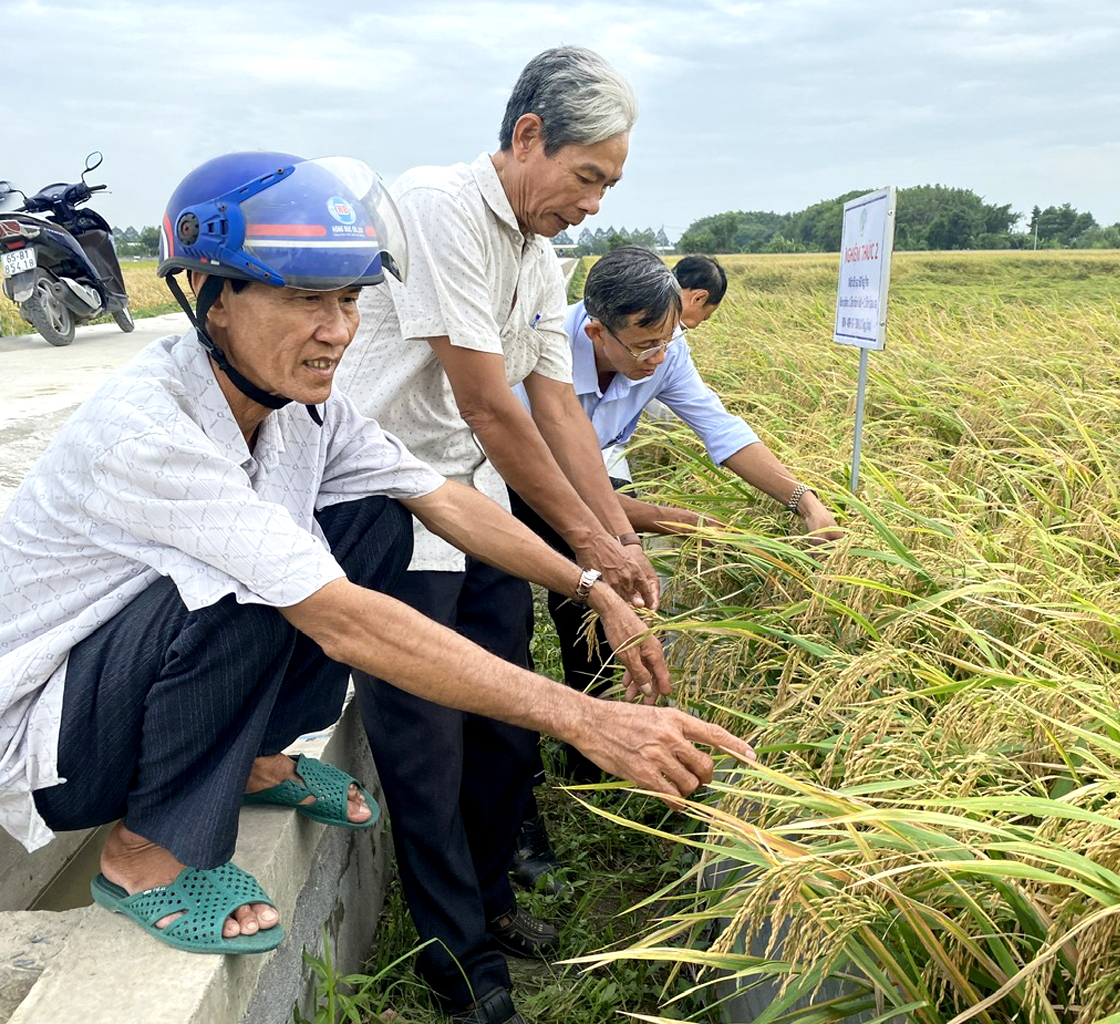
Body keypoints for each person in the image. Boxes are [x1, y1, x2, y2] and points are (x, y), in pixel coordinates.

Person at [0, 152, 750, 1024]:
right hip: (60, 744)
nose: (336, 331)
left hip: (139, 689)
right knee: (262, 580)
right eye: (303, 297)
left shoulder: (306, 410)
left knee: (380, 521)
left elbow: (448, 499)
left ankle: (245, 761)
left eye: (350, 299)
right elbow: (345, 624)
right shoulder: (151, 431)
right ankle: (143, 852)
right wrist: (586, 716)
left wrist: (592, 585)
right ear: (206, 294)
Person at [331, 47, 665, 1022]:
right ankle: (459, 965)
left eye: (610, 183)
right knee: (425, 743)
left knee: (506, 723)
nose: (594, 202)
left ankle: (488, 900)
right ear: (528, 139)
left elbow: (555, 409)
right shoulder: (440, 207)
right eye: (588, 175)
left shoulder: (539, 253)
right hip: (385, 499)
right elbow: (488, 402)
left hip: (467, 500)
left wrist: (616, 542)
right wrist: (590, 553)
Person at [510, 248, 839, 780]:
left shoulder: (665, 350)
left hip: (594, 480)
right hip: (513, 485)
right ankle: (519, 766)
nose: (658, 357)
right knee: (506, 622)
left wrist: (805, 501)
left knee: (596, 610)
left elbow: (720, 428)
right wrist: (668, 522)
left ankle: (592, 753)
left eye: (667, 340)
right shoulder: (543, 350)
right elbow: (556, 481)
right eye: (644, 346)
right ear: (596, 333)